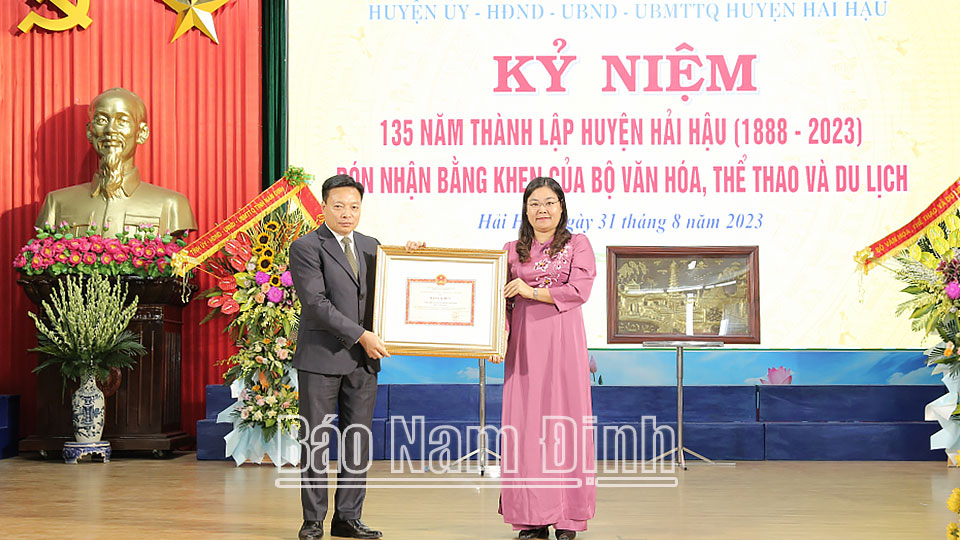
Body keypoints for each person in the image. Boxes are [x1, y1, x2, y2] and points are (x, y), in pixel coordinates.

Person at [496, 177, 597, 540]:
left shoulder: (578, 244)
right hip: (524, 347)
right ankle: (531, 518)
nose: (542, 209)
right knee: (526, 428)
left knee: (565, 422)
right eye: (534, 203)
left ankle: (569, 517)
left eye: (550, 202)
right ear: (525, 210)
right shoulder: (510, 251)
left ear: (561, 207)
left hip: (564, 344)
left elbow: (579, 290)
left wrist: (532, 291)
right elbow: (497, 299)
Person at [289, 174, 388, 540]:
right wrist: (361, 335)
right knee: (316, 441)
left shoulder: (371, 246)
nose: (347, 213)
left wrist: (412, 256)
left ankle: (348, 518)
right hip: (322, 358)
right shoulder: (306, 247)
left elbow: (390, 289)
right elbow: (316, 304)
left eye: (354, 207)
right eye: (339, 206)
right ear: (324, 207)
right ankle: (313, 520)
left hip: (363, 362)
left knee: (357, 441)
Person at [35, 87, 197, 236]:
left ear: (142, 133)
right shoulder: (56, 204)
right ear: (90, 132)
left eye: (122, 121)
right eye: (101, 120)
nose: (110, 129)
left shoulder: (172, 205)